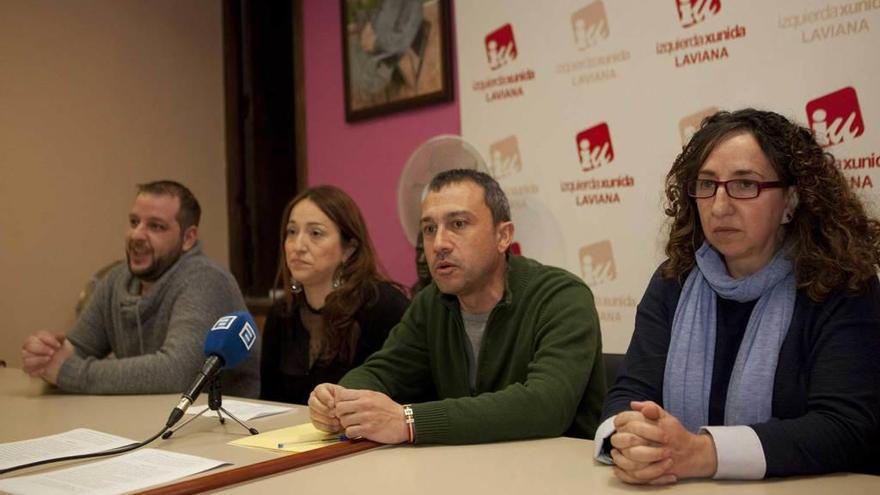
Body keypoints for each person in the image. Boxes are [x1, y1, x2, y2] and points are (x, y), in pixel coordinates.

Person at [597, 109, 880, 483]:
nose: (719, 206)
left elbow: (845, 428)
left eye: (745, 185)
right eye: (707, 184)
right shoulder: (674, 280)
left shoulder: (841, 284)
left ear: (791, 201)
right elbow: (629, 393)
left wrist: (705, 454)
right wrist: (631, 439)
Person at [308, 169, 605, 445]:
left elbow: (546, 406)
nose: (439, 244)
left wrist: (410, 422)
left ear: (503, 236)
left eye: (458, 224)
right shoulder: (431, 303)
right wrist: (339, 399)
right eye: (428, 228)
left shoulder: (562, 297)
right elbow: (382, 372)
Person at [20, 180, 260, 397]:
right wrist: (46, 355)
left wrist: (69, 372)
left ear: (188, 238)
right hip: (144, 424)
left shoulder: (206, 280)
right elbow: (76, 351)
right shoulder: (116, 279)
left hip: (217, 431)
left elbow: (177, 372)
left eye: (155, 227)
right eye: (134, 222)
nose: (136, 235)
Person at [260, 186, 409, 405]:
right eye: (292, 232)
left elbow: (404, 396)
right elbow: (269, 402)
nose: (298, 246)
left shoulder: (384, 307)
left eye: (315, 233)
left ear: (348, 249)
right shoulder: (282, 313)